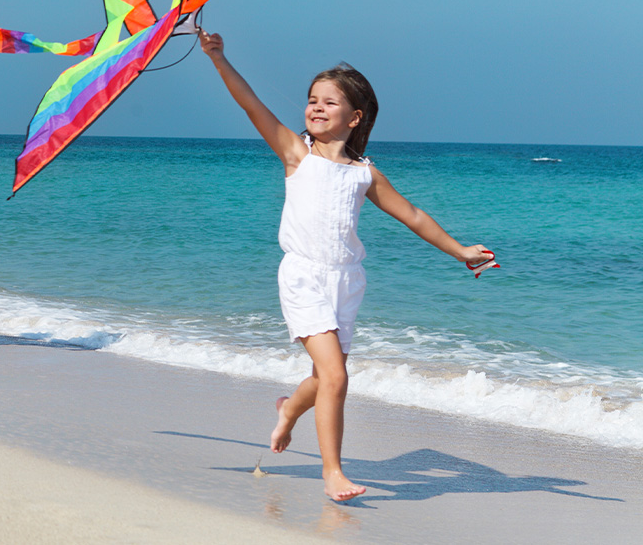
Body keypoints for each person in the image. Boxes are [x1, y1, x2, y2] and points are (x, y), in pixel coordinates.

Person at [199, 30, 494, 502]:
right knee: (336, 377)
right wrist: (218, 57)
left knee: (322, 379)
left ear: (354, 117)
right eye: (312, 100)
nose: (315, 108)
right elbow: (249, 103)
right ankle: (332, 472)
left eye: (329, 102)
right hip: (302, 276)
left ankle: (288, 409)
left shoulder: (364, 173)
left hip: (347, 282)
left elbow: (413, 215)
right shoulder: (296, 154)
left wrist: (460, 251)